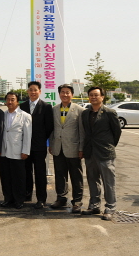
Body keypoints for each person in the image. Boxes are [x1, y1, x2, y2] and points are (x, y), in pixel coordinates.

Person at [81, 86, 122, 221]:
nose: (93, 97)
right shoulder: (85, 113)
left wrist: (109, 145)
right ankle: (94, 205)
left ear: (102, 97)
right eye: (91, 95)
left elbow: (117, 132)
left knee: (108, 182)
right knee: (92, 180)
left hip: (105, 152)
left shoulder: (109, 113)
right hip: (90, 152)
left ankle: (110, 208)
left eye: (96, 95)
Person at [49, 84, 85, 213]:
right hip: (58, 148)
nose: (65, 94)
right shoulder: (54, 109)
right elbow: (52, 129)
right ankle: (61, 198)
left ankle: (77, 201)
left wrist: (81, 148)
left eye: (67, 92)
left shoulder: (80, 110)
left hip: (74, 148)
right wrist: (52, 144)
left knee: (76, 176)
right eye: (62, 92)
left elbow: (82, 131)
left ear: (72, 95)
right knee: (60, 175)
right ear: (59, 94)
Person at [20, 81, 54, 209]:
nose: (33, 92)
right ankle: (27, 195)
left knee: (39, 173)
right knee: (26, 172)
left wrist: (40, 139)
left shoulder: (46, 107)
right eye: (30, 90)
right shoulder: (22, 106)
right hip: (24, 146)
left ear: (40, 91)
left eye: (35, 90)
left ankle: (41, 199)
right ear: (28, 91)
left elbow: (49, 126)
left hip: (39, 147)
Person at [0, 92, 32, 209]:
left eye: (12, 99)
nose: (10, 102)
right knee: (6, 177)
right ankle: (8, 199)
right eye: (8, 99)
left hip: (18, 151)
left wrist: (25, 151)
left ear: (17, 101)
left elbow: (27, 136)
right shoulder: (3, 114)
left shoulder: (25, 116)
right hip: (4, 150)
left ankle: (19, 200)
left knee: (18, 177)